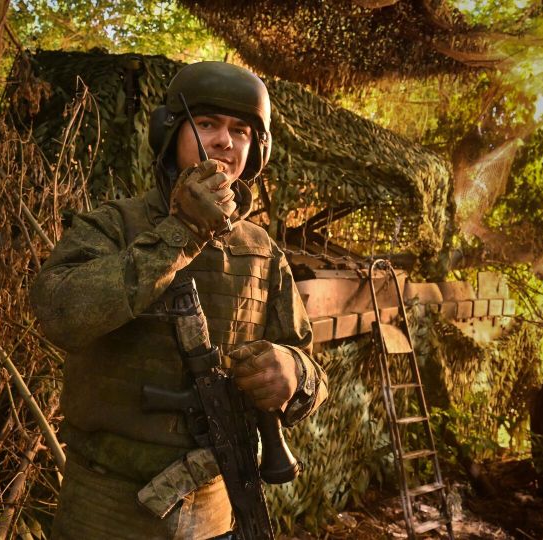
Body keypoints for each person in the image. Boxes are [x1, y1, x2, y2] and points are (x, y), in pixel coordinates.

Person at [30, 61, 328, 539]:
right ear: (169, 134)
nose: (224, 141)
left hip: (216, 507)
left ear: (256, 151)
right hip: (107, 508)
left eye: (240, 131)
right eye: (206, 123)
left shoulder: (262, 251)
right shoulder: (113, 225)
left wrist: (293, 373)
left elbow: (309, 364)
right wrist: (181, 233)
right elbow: (60, 313)